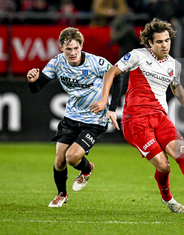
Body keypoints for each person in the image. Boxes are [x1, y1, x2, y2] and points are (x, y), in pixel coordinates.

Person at [90, 18, 184, 213]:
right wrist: (104, 100)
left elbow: (177, 89)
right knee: (163, 166)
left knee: (179, 150)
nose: (164, 45)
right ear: (150, 42)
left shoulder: (174, 66)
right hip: (136, 121)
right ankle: (168, 199)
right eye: (159, 41)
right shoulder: (137, 56)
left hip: (160, 117)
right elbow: (110, 74)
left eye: (167, 40)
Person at [26, 27, 123, 207]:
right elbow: (37, 88)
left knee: (72, 158)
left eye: (76, 48)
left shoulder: (96, 62)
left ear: (81, 46)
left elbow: (117, 78)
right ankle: (61, 195)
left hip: (94, 119)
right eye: (68, 48)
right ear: (61, 48)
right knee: (59, 160)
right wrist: (32, 81)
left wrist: (110, 107)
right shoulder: (56, 63)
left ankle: (87, 169)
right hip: (71, 116)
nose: (72, 52)